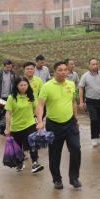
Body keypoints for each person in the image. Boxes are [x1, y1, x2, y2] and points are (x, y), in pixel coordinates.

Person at [36, 61, 81, 190]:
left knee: (76, 149)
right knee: (55, 154)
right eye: (60, 70)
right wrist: (40, 121)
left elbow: (73, 102)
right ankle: (57, 179)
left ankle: (74, 178)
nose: (63, 72)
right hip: (54, 125)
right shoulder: (47, 86)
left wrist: (76, 117)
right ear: (54, 72)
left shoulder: (71, 84)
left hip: (70, 123)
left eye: (65, 70)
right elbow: (40, 105)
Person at [5, 77, 45, 174]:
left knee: (32, 143)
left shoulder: (31, 96)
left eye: (25, 85)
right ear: (16, 86)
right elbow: (8, 113)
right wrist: (7, 128)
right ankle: (20, 162)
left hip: (29, 123)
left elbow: (36, 109)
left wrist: (40, 122)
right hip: (16, 126)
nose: (23, 87)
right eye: (21, 85)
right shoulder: (12, 97)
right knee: (18, 147)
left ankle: (35, 163)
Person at [77, 57, 100, 148]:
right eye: (93, 64)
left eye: (96, 64)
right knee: (94, 119)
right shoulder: (85, 76)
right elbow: (81, 88)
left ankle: (97, 138)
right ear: (89, 65)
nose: (95, 66)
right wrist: (81, 101)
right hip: (90, 101)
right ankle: (93, 138)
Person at [0, 60, 15, 135]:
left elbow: (14, 84)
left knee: (9, 112)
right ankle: (0, 128)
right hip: (1, 97)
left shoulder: (12, 73)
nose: (9, 69)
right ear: (4, 66)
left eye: (10, 67)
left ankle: (8, 128)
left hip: (10, 97)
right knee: (1, 113)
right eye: (7, 67)